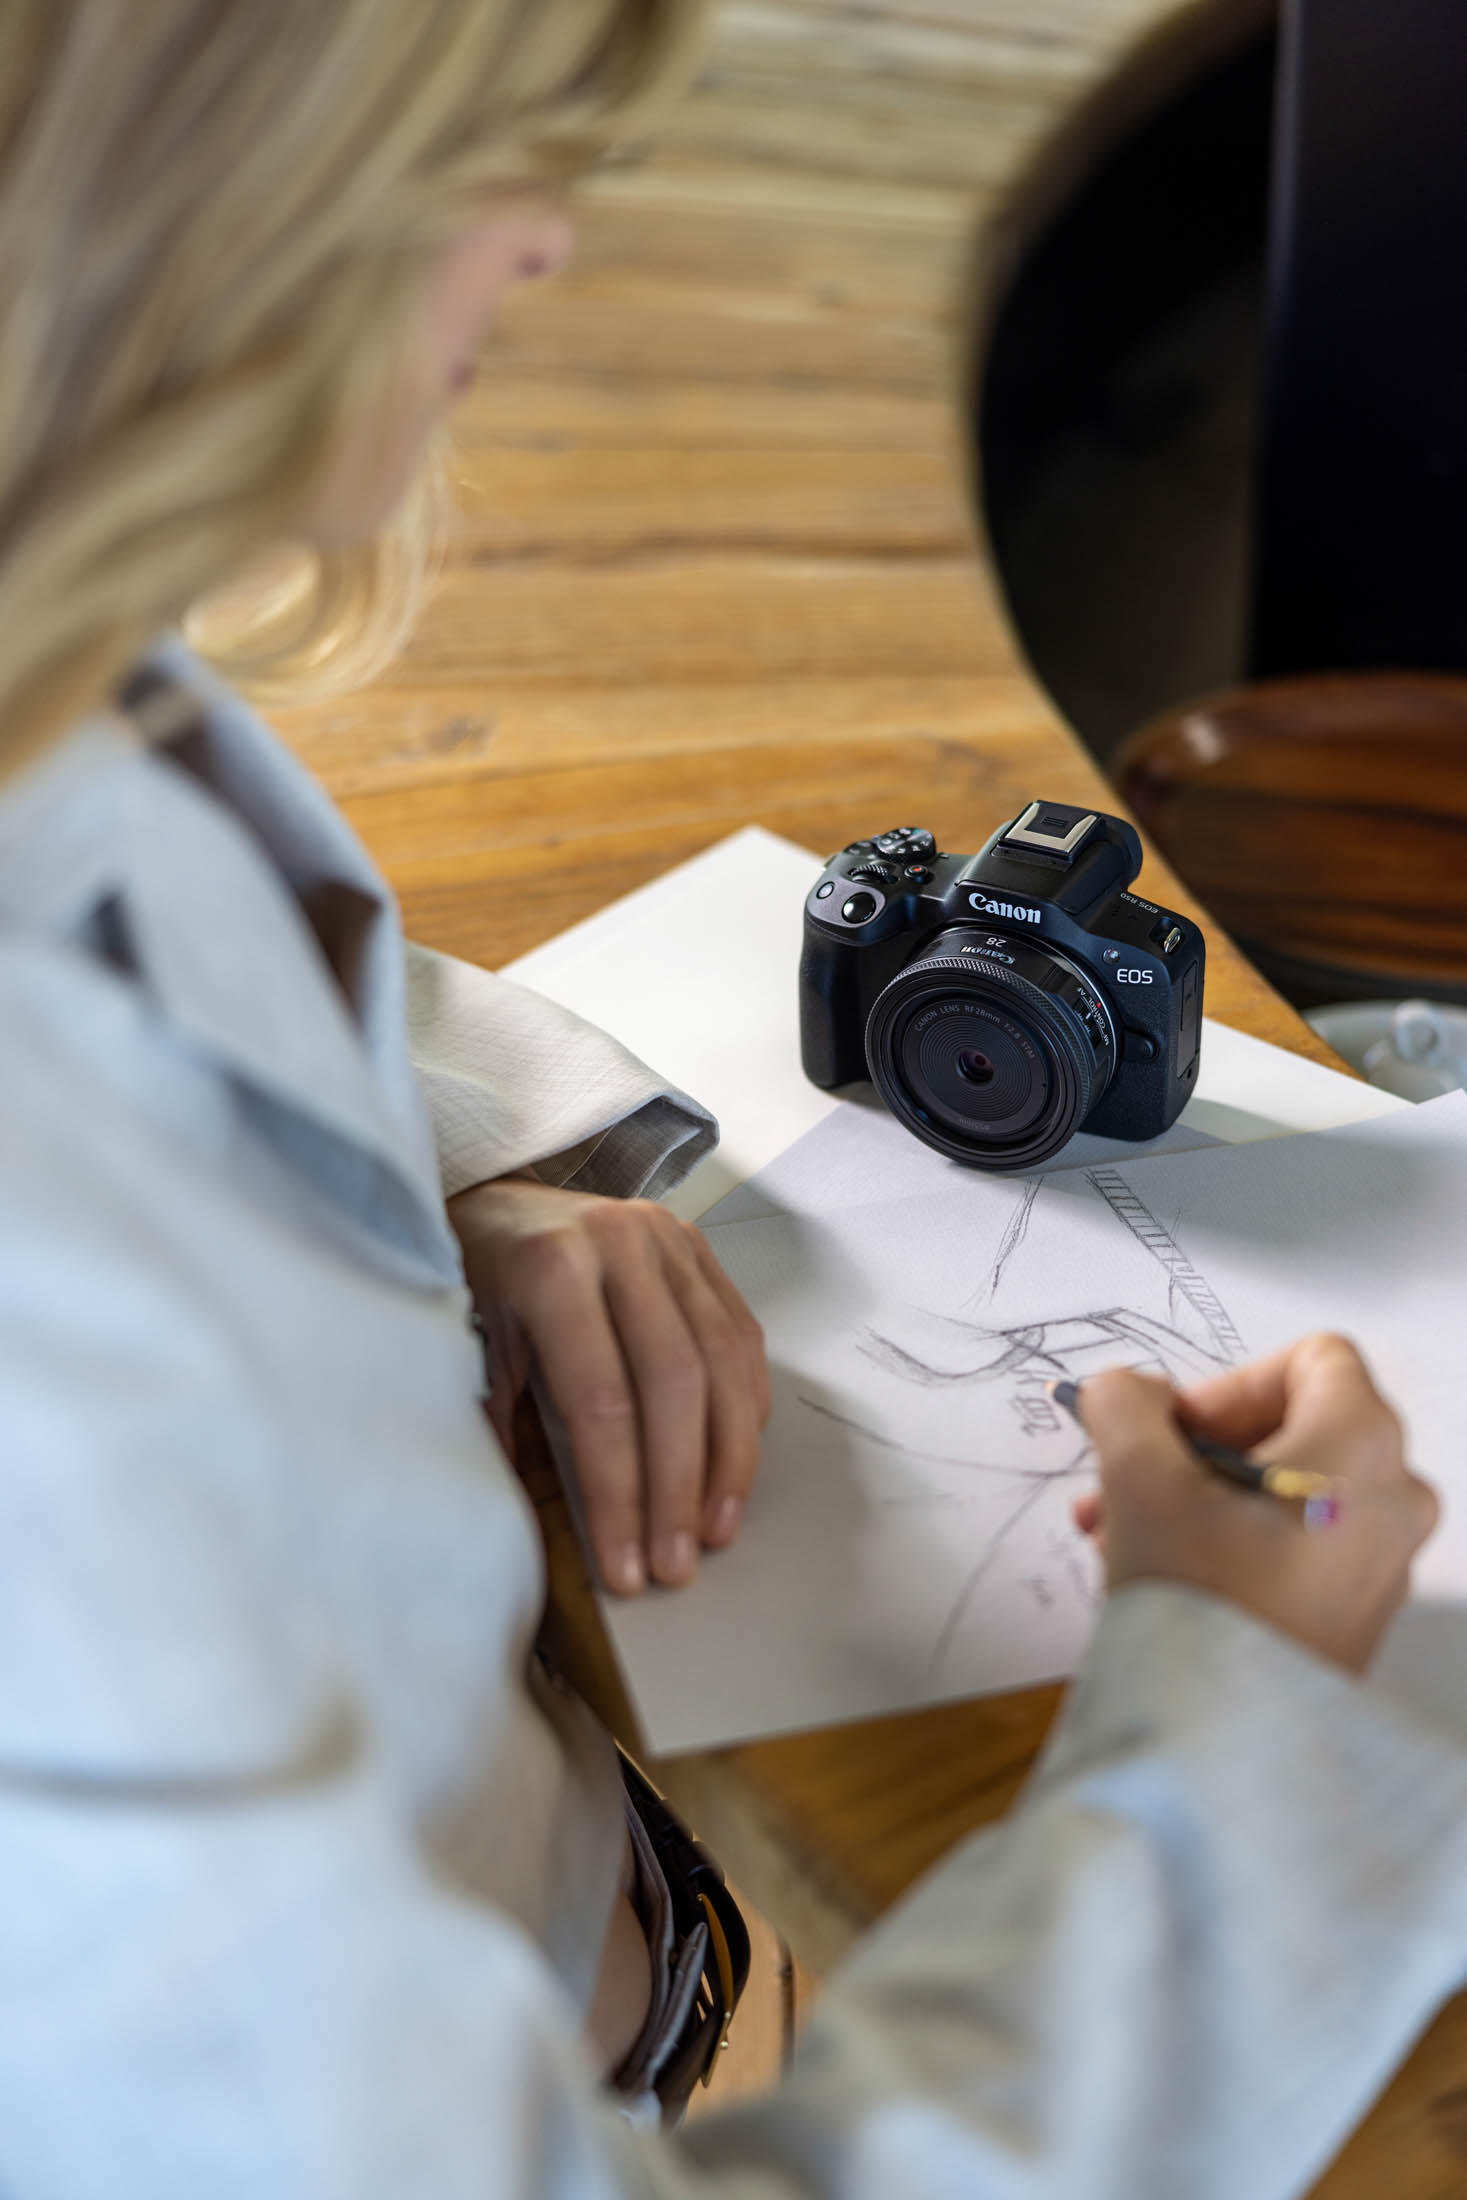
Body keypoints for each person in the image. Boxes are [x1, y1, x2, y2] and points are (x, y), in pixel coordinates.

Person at [1, 4, 1464, 2195]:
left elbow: (137, 915)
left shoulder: (60, 637)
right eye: (501, 145)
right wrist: (1256, 1734)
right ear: (212, 178)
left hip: (619, 1888)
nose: (549, 246)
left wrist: (437, 1164)